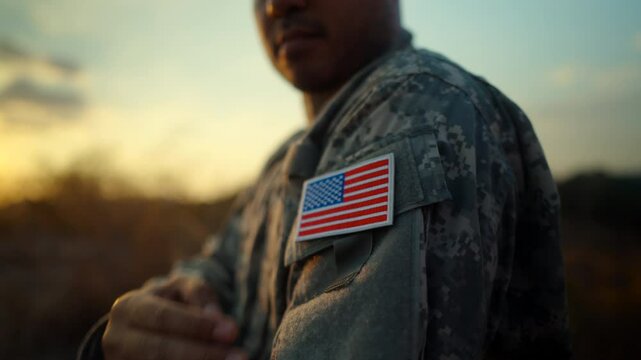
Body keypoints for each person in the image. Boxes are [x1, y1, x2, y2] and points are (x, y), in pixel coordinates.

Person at [78, 0, 572, 359]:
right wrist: (131, 330)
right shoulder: (281, 168)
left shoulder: (412, 109)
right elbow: (216, 269)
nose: (277, 7)